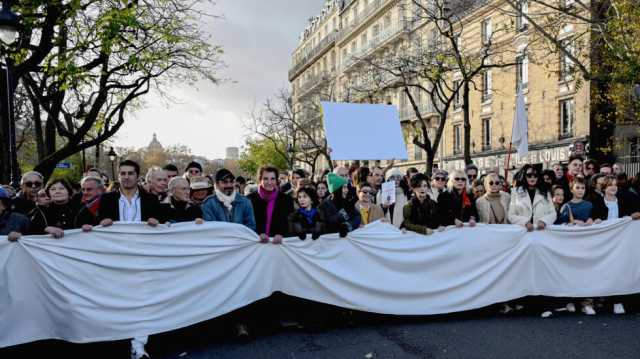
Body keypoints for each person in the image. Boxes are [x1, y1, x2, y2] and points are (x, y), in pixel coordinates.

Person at [93, 160, 166, 228]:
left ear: (137, 176)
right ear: (118, 177)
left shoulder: (151, 199)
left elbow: (162, 224)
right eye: (123, 173)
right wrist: (100, 223)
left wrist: (158, 222)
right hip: (115, 241)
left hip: (143, 240)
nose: (126, 177)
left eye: (130, 173)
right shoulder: (106, 199)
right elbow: (96, 223)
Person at [248, 166, 294, 244]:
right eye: (265, 179)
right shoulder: (250, 199)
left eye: (272, 179)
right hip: (255, 244)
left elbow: (289, 223)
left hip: (278, 245)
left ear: (276, 180)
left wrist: (281, 234)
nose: (269, 182)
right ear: (260, 180)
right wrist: (258, 233)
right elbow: (247, 223)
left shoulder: (286, 200)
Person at [508, 165, 557, 231]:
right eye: (529, 175)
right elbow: (511, 215)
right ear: (524, 176)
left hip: (541, 232)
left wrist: (544, 221)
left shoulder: (545, 192)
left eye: (535, 175)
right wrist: (525, 222)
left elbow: (553, 213)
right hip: (523, 232)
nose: (532, 178)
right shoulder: (515, 192)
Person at [320, 172, 361, 237]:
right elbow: (327, 222)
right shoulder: (324, 205)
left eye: (347, 187)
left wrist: (347, 225)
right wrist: (342, 214)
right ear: (337, 190)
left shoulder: (347, 202)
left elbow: (357, 217)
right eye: (344, 187)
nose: (347, 190)